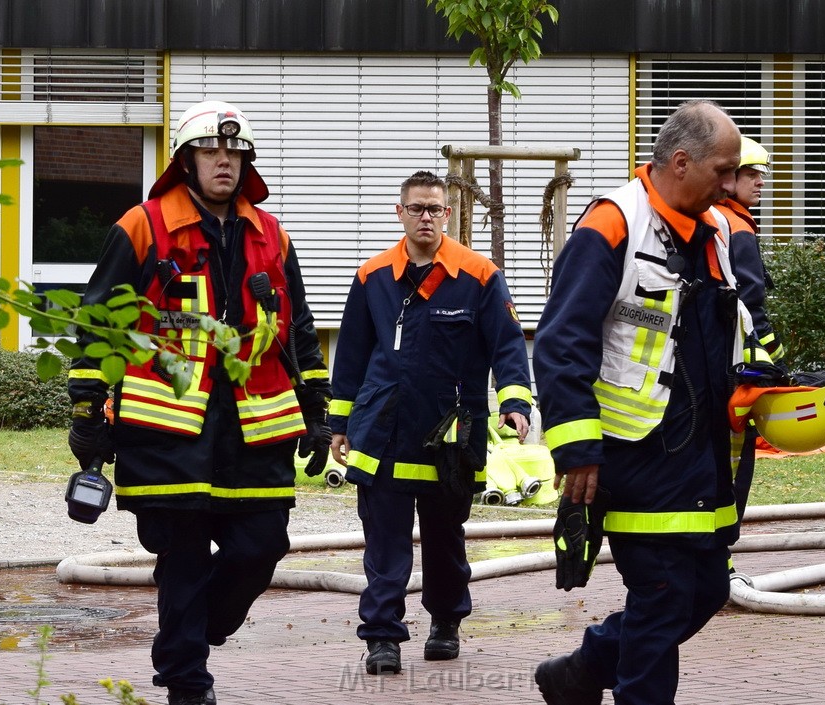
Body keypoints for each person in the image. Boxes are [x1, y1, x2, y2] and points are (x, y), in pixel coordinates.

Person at [67, 100, 331, 705]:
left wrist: (317, 409)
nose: (224, 161)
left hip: (256, 429)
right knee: (182, 561)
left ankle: (191, 636)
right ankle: (188, 682)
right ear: (185, 160)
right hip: (167, 432)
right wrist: (87, 408)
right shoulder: (143, 225)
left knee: (262, 545)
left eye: (235, 152)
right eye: (212, 150)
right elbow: (99, 324)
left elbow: (299, 329)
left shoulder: (272, 234)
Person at [532, 100, 765, 705]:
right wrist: (578, 447)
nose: (731, 184)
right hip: (635, 456)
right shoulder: (612, 224)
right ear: (681, 162)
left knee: (706, 590)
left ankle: (583, 671)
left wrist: (769, 391)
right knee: (661, 600)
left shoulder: (713, 230)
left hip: (702, 458)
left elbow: (729, 333)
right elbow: (561, 342)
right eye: (723, 170)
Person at [328, 170, 533, 676]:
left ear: (448, 214)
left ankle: (445, 622)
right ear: (399, 212)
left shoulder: (479, 275)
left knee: (445, 537)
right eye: (416, 208)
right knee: (384, 541)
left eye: (435, 209)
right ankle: (382, 637)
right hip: (382, 430)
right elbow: (351, 352)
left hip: (451, 434)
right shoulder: (372, 276)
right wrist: (339, 422)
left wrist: (515, 403)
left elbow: (507, 344)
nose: (426, 217)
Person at [714, 136, 785, 522]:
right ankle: (723, 549)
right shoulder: (737, 227)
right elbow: (751, 305)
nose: (760, 182)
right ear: (729, 178)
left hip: (715, 362)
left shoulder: (713, 219)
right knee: (736, 462)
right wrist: (776, 361)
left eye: (762, 175)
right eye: (752, 175)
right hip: (738, 370)